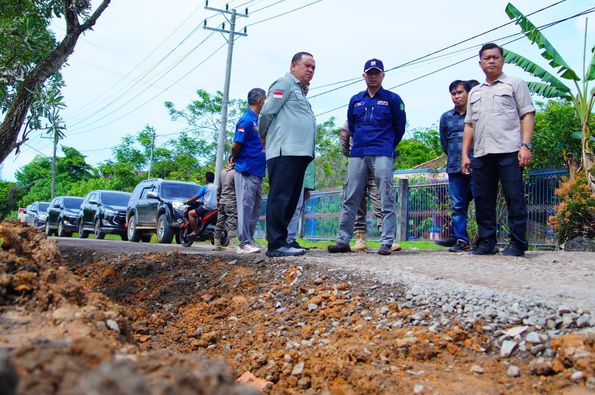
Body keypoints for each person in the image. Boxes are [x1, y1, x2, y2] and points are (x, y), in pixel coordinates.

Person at [462, 43, 535, 257]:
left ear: (502, 60)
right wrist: (465, 154)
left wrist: (525, 145)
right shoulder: (475, 92)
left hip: (510, 150)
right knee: (483, 199)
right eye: (487, 58)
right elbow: (469, 125)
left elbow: (527, 115)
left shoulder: (515, 84)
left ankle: (517, 244)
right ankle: (486, 243)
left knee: (514, 198)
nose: (491, 61)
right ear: (480, 63)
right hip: (482, 153)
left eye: (495, 57)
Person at [328, 58, 406, 255]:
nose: (373, 76)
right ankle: (343, 241)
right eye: (369, 73)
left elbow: (400, 127)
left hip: (382, 152)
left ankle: (387, 241)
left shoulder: (393, 99)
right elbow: (352, 126)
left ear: (383, 75)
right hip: (358, 153)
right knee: (350, 196)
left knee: (385, 195)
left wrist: (387, 144)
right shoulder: (356, 100)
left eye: (376, 73)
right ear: (363, 75)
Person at [259, 51, 317, 258]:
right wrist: (263, 135)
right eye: (306, 65)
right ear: (293, 66)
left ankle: (283, 241)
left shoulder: (300, 91)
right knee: (281, 197)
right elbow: (267, 113)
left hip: (299, 153)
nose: (310, 70)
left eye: (313, 68)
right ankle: (275, 244)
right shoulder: (284, 84)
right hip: (285, 151)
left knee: (291, 199)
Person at [435, 79, 479, 252]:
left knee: (482, 202)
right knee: (458, 205)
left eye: (460, 92)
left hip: (477, 165)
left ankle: (485, 240)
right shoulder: (446, 117)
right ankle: (462, 240)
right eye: (453, 93)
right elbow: (444, 142)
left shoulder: (477, 114)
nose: (457, 96)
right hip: (454, 166)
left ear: (468, 93)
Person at [232, 88, 267, 254]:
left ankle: (250, 239)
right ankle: (243, 243)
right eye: (265, 101)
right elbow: (235, 145)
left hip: (257, 171)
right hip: (246, 170)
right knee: (245, 207)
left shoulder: (257, 121)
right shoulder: (245, 120)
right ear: (260, 101)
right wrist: (234, 159)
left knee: (255, 208)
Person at [339, 121, 382, 252]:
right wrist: (350, 153)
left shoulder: (380, 115)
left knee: (380, 199)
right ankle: (360, 238)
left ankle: (386, 238)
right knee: (356, 201)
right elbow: (344, 138)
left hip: (377, 159)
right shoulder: (351, 118)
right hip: (357, 159)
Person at [213, 157, 237, 251]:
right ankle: (232, 245)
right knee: (232, 223)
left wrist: (218, 201)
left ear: (228, 161)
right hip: (231, 201)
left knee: (219, 223)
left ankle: (217, 245)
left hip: (222, 201)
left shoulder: (222, 173)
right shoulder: (236, 173)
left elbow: (219, 188)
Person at [185, 171, 217, 237]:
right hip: (216, 209)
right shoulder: (218, 187)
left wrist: (188, 201)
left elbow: (196, 197)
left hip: (207, 208)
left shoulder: (205, 187)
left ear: (206, 179)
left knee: (190, 213)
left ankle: (194, 231)